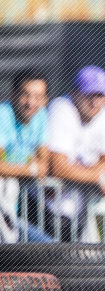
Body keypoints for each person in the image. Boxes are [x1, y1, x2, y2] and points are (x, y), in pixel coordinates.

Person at [40, 66, 105, 241]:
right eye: (89, 95)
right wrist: (99, 177)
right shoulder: (61, 107)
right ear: (74, 93)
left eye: (101, 96)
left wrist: (80, 172)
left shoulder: (103, 112)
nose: (95, 102)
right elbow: (58, 167)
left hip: (76, 213)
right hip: (41, 210)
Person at [0, 70, 51, 239]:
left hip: (14, 213)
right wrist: (31, 169)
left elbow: (44, 165)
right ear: (12, 95)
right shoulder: (3, 114)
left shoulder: (41, 116)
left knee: (46, 246)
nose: (31, 102)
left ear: (45, 100)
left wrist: (13, 169)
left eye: (38, 97)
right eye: (25, 95)